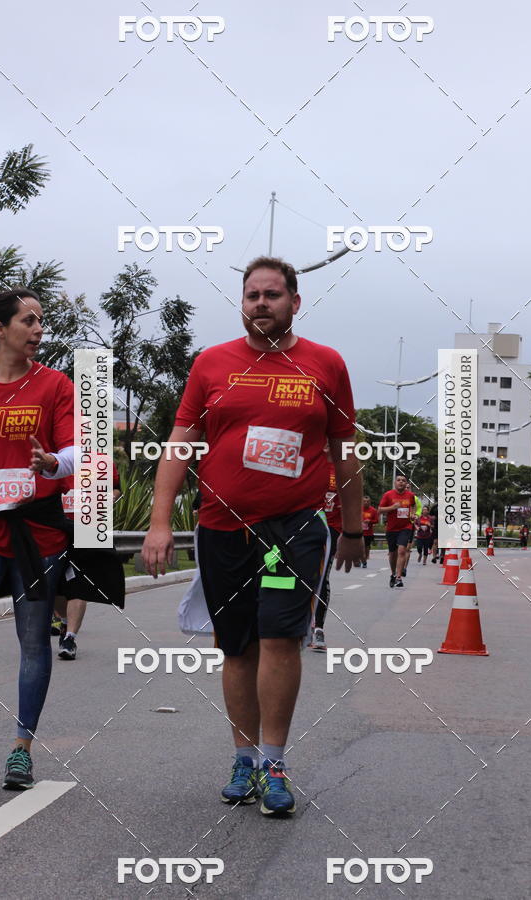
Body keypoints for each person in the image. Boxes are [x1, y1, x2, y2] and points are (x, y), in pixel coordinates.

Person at [142, 256, 364, 816]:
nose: (261, 303)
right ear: (242, 304)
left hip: (297, 526)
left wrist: (356, 528)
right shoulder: (212, 364)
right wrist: (160, 521)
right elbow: (179, 445)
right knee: (235, 646)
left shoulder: (326, 364)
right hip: (223, 528)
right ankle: (243, 758)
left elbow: (345, 451)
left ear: (295, 301)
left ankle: (273, 761)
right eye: (251, 296)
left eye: (272, 294)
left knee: (280, 639)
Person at [0, 289, 74, 790]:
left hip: (38, 533)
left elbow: (78, 449)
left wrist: (55, 463)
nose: (38, 329)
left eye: (42, 321)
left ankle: (21, 748)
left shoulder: (56, 384)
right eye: (28, 320)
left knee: (33, 641)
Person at [53, 461, 122, 660]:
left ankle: (70, 639)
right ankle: (65, 621)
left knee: (78, 586)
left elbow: (116, 489)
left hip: (87, 529)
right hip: (57, 530)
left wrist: (105, 500)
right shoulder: (54, 456)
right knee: (56, 588)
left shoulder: (102, 460)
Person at [309, 448, 342, 652]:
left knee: (322, 577)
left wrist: (350, 534)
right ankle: (299, 623)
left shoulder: (343, 466)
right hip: (303, 525)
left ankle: (318, 628)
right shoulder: (307, 460)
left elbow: (351, 499)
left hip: (330, 530)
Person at [378, 474, 416, 588]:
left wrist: (413, 514)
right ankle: (393, 574)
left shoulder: (410, 495)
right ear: (395, 483)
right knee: (393, 553)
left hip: (405, 527)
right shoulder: (388, 495)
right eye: (398, 480)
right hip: (392, 528)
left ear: (406, 484)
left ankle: (399, 578)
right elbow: (379, 510)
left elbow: (413, 506)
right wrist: (392, 507)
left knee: (402, 551)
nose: (401, 482)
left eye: (403, 481)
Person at [361, 495, 378, 568]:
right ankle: (361, 559)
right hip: (359, 532)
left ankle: (364, 561)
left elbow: (376, 520)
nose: (366, 502)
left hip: (368, 533)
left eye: (367, 501)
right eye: (364, 501)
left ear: (370, 502)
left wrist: (370, 521)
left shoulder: (373, 510)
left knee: (366, 547)